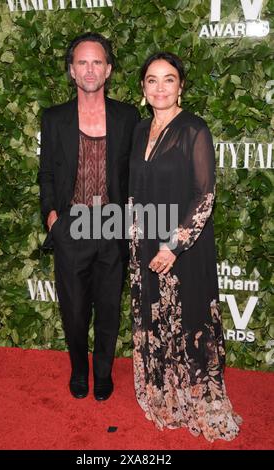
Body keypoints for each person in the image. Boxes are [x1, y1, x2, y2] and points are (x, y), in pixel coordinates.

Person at [128, 52, 242, 441]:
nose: (160, 87)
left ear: (182, 87)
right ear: (143, 89)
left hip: (182, 248)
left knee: (188, 319)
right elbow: (135, 191)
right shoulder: (141, 129)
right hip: (144, 244)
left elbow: (204, 195)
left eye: (169, 79)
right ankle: (163, 392)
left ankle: (195, 397)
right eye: (152, 80)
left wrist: (172, 245)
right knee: (154, 318)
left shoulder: (194, 129)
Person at [38, 32, 139, 401]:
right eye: (82, 62)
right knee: (75, 311)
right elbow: (46, 173)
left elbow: (137, 175)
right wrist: (52, 218)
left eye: (97, 61)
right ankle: (79, 369)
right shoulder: (54, 118)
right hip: (72, 227)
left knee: (109, 309)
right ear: (72, 71)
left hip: (113, 226)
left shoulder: (128, 117)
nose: (90, 69)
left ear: (109, 69)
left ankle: (103, 372)